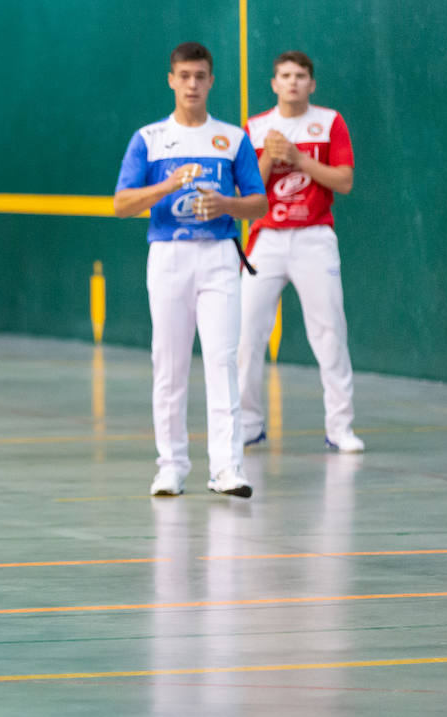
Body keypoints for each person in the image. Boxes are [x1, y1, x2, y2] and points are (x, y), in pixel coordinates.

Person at [113, 41, 267, 497]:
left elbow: (258, 202)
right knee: (170, 364)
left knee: (222, 361)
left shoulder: (233, 139)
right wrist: (167, 184)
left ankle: (227, 468)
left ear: (211, 80)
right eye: (185, 76)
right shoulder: (149, 139)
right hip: (168, 258)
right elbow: (122, 203)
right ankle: (171, 467)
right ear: (171, 80)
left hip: (220, 256)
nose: (193, 84)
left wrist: (228, 203)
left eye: (201, 76)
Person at [239, 51, 362, 453]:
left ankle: (340, 427)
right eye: (285, 75)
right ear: (273, 83)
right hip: (267, 240)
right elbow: (247, 195)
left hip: (314, 238)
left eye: (301, 75)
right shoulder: (255, 128)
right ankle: (249, 424)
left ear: (312, 83)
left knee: (330, 333)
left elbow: (343, 182)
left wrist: (299, 158)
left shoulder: (329, 123)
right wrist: (270, 161)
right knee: (246, 335)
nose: (293, 82)